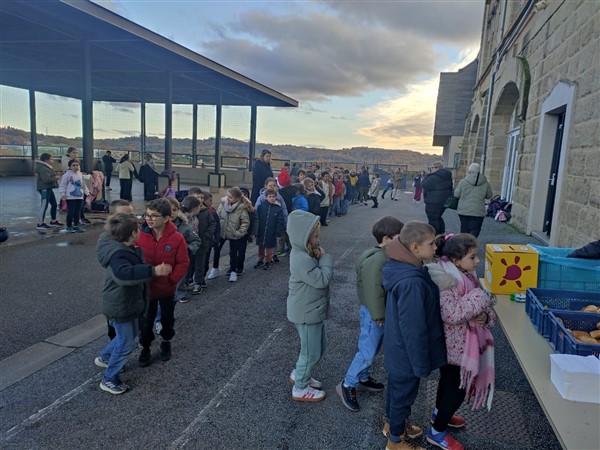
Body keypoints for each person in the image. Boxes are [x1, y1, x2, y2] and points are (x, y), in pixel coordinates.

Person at [425, 233, 496, 450]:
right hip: (454, 349)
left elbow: (480, 310)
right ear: (456, 261)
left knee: (448, 385)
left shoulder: (467, 276)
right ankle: (437, 432)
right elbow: (452, 314)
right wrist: (482, 297)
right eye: (472, 257)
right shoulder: (446, 281)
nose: (478, 261)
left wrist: (486, 316)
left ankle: (440, 415)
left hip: (461, 347)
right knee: (456, 391)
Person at [382, 221, 447, 450]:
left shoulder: (402, 266)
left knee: (396, 391)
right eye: (431, 244)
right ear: (415, 247)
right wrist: (420, 363)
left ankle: (392, 425)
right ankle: (396, 441)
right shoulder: (411, 281)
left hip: (398, 348)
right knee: (403, 396)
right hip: (407, 353)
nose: (435, 248)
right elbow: (414, 328)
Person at [95, 213, 172, 394]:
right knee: (125, 343)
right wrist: (154, 270)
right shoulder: (118, 254)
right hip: (120, 305)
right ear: (132, 234)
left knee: (129, 336)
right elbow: (124, 274)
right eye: (138, 228)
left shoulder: (121, 246)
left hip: (126, 303)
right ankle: (109, 379)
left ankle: (105, 357)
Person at [337, 216, 405, 412]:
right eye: (398, 238)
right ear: (386, 239)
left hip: (376, 312)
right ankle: (348, 383)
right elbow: (373, 290)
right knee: (367, 351)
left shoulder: (381, 255)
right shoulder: (378, 259)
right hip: (374, 313)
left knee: (372, 347)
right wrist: (378, 316)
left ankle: (363, 378)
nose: (402, 242)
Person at [286, 210, 334, 402]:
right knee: (311, 352)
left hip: (311, 310)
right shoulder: (301, 259)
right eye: (315, 236)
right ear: (303, 236)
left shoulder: (304, 253)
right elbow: (322, 279)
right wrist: (326, 258)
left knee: (319, 346)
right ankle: (300, 387)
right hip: (306, 313)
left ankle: (300, 373)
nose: (318, 240)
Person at [137, 198, 190, 367]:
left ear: (166, 218)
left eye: (154, 216)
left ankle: (166, 341)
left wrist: (172, 280)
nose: (149, 219)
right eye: (147, 215)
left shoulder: (177, 238)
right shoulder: (139, 235)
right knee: (145, 322)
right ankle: (145, 346)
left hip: (166, 289)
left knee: (167, 319)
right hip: (146, 290)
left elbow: (183, 262)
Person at [168, 196, 202, 304]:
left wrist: (187, 249)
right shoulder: (156, 226)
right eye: (168, 210)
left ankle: (181, 292)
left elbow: (196, 240)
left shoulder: (183, 226)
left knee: (180, 276)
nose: (172, 213)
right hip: (162, 258)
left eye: (174, 210)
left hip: (178, 259)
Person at [217, 187, 251, 282]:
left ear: (237, 199)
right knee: (217, 249)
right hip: (223, 231)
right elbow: (218, 215)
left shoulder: (242, 208)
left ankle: (233, 271)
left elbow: (245, 223)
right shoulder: (223, 203)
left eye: (230, 197)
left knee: (234, 253)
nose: (228, 199)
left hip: (234, 234)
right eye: (227, 196)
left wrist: (238, 233)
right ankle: (215, 268)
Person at [454, 163, 493, 238]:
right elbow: (489, 195)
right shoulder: (485, 182)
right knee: (475, 229)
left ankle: (463, 243)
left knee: (464, 228)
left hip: (464, 209)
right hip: (478, 210)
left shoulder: (463, 181)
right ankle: (472, 242)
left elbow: (456, 194)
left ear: (469, 170)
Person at [254, 188, 285, 270]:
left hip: (271, 232)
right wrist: (255, 230)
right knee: (260, 247)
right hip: (261, 231)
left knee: (269, 249)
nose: (271, 198)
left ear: (276, 197)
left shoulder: (278, 209)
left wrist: (278, 232)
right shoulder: (261, 207)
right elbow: (257, 219)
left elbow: (280, 222)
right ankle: (260, 260)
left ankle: (268, 261)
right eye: (270, 196)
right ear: (266, 197)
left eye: (273, 196)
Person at [422, 161, 454, 235]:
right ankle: (442, 233)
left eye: (432, 167)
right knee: (438, 217)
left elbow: (424, 184)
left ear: (437, 168)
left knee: (433, 219)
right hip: (443, 201)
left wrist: (427, 175)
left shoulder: (434, 177)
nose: (431, 169)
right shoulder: (446, 176)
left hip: (433, 201)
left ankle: (435, 235)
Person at [59, 159, 90, 233]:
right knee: (71, 212)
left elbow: (83, 184)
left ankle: (76, 225)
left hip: (80, 196)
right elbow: (63, 185)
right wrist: (63, 193)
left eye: (77, 165)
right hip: (70, 197)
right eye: (73, 165)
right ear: (70, 166)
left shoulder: (80, 174)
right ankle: (69, 226)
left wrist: (87, 192)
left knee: (77, 211)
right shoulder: (66, 175)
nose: (76, 167)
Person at [35, 153, 63, 230]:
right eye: (51, 159)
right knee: (44, 205)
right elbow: (47, 180)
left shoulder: (46, 167)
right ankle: (40, 223)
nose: (52, 160)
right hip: (44, 188)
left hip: (48, 188)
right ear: (46, 160)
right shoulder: (43, 168)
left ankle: (53, 221)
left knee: (54, 204)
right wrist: (55, 178)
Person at [204, 192, 222, 280]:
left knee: (205, 260)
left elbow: (217, 226)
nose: (212, 203)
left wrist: (217, 239)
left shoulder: (212, 212)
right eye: (210, 201)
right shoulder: (196, 212)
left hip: (209, 241)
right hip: (200, 241)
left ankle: (202, 279)